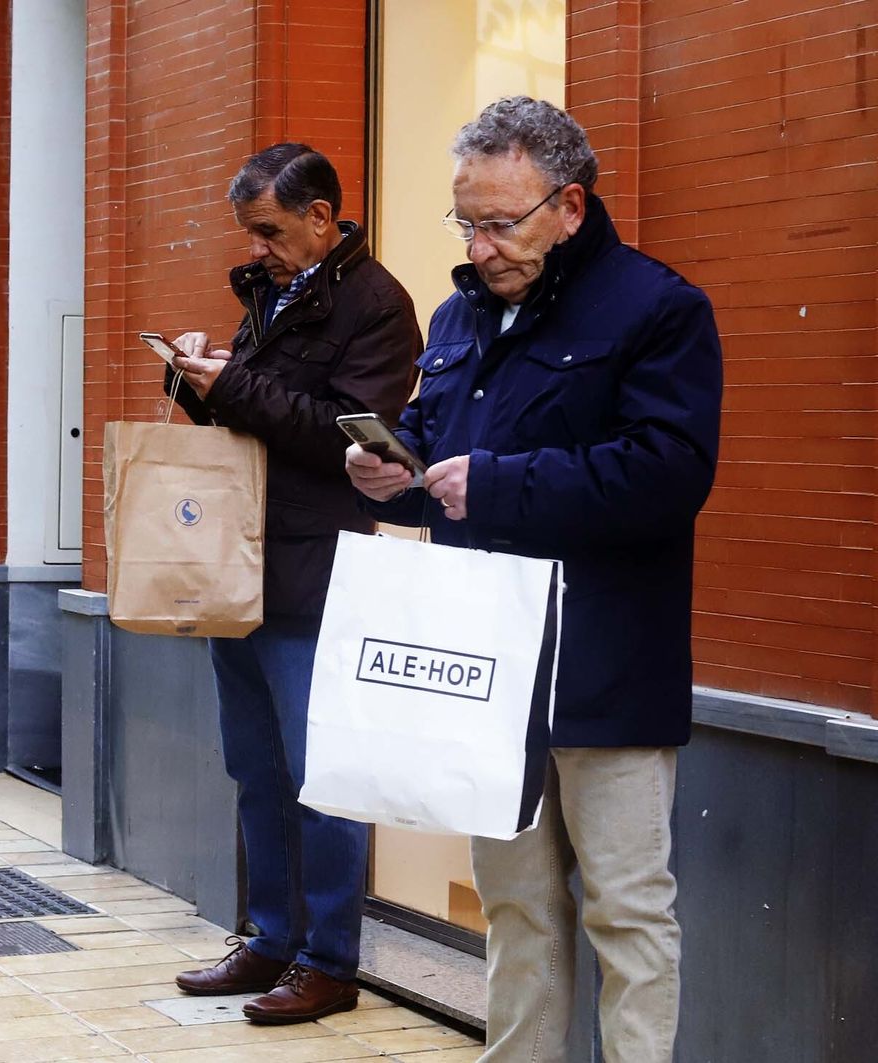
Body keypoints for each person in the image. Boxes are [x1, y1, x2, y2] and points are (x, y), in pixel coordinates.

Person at [346, 97, 723, 1062]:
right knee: (514, 906)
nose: (481, 245)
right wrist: (393, 473)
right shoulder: (458, 312)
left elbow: (669, 473)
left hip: (607, 664)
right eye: (466, 221)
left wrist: (500, 485)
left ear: (571, 206)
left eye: (502, 222)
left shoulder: (658, 309)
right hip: (485, 666)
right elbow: (438, 454)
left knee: (628, 912)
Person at [166, 143, 422, 1024]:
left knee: (322, 776)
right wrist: (196, 378)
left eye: (270, 230)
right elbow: (254, 420)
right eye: (251, 232)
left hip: (314, 568)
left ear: (321, 218)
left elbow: (349, 442)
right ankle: (270, 939)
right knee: (255, 768)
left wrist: (233, 383)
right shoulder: (271, 291)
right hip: (239, 564)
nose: (259, 246)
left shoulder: (377, 305)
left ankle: (329, 961)